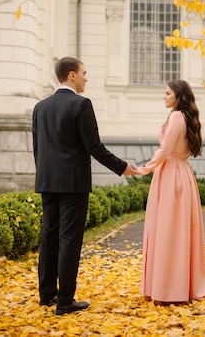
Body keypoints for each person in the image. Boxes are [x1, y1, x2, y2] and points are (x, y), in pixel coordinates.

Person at [32, 56, 137, 315]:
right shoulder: (81, 105)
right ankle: (65, 300)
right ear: (71, 75)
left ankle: (47, 296)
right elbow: (94, 147)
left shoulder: (40, 107)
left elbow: (38, 148)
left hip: (47, 180)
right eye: (84, 73)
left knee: (49, 237)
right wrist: (122, 167)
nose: (86, 78)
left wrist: (45, 174)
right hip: (74, 184)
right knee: (69, 240)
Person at [135, 79, 205, 304]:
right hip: (180, 174)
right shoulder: (184, 117)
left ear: (178, 95)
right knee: (179, 230)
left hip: (171, 177)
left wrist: (143, 169)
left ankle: (168, 289)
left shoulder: (177, 117)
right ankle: (177, 286)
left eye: (168, 93)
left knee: (168, 231)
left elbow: (165, 149)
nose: (164, 96)